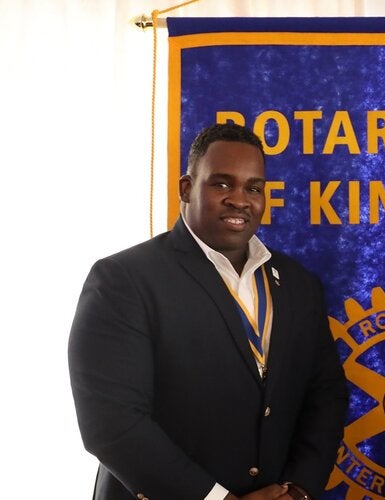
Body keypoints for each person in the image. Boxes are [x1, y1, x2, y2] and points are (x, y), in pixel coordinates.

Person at [69, 123, 349, 500]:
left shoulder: (299, 285)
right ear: (187, 187)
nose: (239, 199)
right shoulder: (124, 280)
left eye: (253, 188)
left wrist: (297, 489)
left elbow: (325, 395)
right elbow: (113, 424)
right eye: (221, 184)